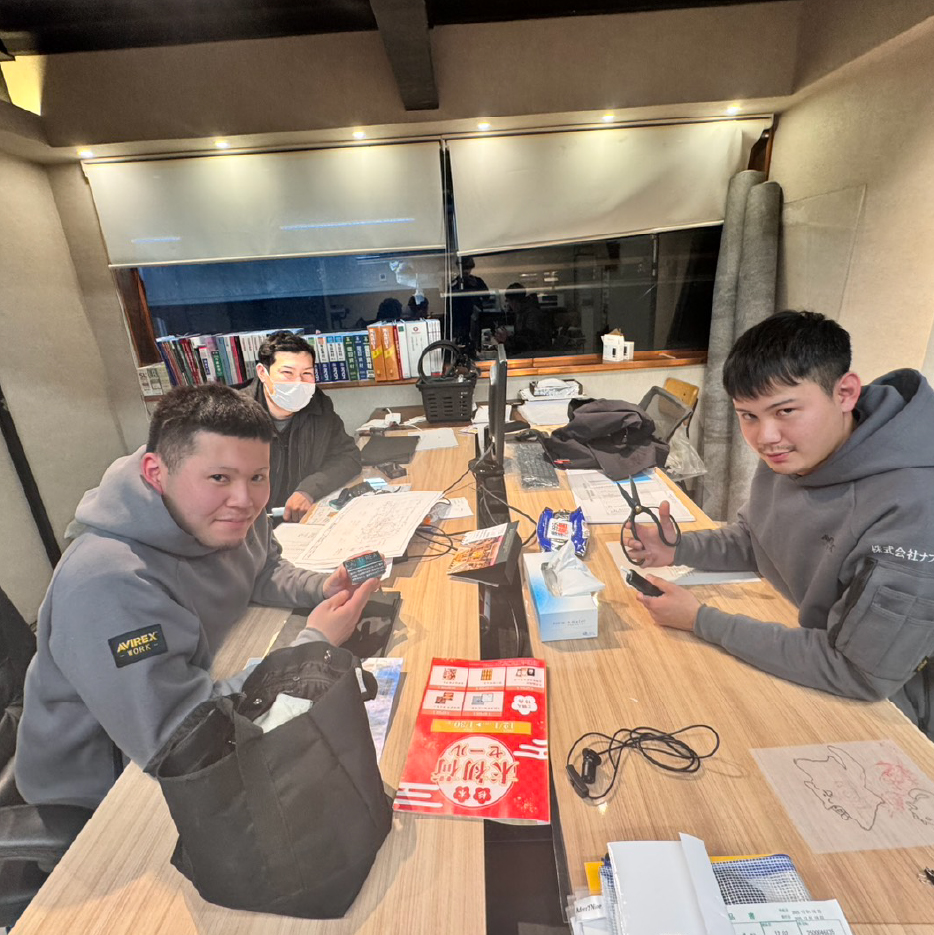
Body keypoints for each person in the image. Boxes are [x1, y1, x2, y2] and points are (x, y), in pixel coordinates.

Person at [16, 385, 380, 809]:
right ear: (156, 472)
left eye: (258, 477)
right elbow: (182, 738)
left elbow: (261, 568)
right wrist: (313, 647)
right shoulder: (106, 584)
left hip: (182, 699)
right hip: (105, 786)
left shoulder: (223, 513)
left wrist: (319, 587)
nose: (244, 501)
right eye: (219, 478)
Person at [625, 310, 934, 736]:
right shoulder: (799, 450)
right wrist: (679, 548)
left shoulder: (914, 505)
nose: (765, 437)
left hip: (890, 710)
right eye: (748, 415)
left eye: (785, 410)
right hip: (803, 640)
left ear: (845, 392)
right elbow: (759, 541)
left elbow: (859, 672)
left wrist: (700, 620)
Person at [244, 330, 361, 521]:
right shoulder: (233, 415)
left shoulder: (318, 405)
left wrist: (309, 490)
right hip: (249, 524)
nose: (298, 382)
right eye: (287, 373)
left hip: (302, 520)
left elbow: (348, 457)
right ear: (262, 373)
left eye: (307, 373)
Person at [495, 283, 552, 354]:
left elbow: (528, 342)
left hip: (536, 354)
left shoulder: (532, 315)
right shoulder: (522, 312)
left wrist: (507, 339)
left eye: (509, 301)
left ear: (514, 301)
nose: (509, 305)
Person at [449, 256, 490, 353]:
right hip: (459, 321)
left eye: (468, 268)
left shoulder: (477, 281)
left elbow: (486, 297)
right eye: (464, 268)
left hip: (475, 319)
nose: (466, 271)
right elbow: (449, 304)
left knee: (476, 344)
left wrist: (476, 286)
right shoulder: (454, 284)